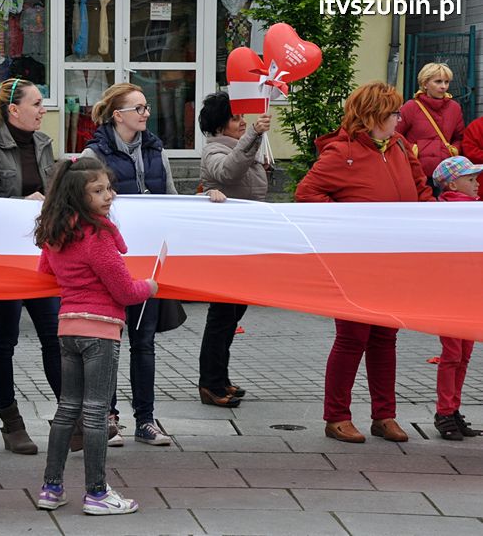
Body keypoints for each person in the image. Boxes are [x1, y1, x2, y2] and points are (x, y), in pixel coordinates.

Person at [296, 81, 434, 443]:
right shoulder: (341, 153)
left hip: (395, 260)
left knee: (385, 337)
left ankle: (384, 415)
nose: (398, 119)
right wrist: (347, 224)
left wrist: (432, 220)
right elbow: (306, 194)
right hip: (355, 262)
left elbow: (421, 188)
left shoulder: (400, 146)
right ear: (372, 116)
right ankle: (336, 416)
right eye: (392, 113)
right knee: (352, 338)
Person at [34, 156, 154, 515]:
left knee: (66, 409)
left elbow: (45, 271)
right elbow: (125, 292)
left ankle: (51, 488)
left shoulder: (56, 232)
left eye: (108, 188)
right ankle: (97, 493)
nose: (109, 196)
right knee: (97, 413)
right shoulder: (98, 235)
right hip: (100, 332)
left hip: (67, 327)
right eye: (98, 190)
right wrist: (151, 285)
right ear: (78, 196)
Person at [0, 77, 61, 454]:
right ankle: (11, 420)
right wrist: (20, 203)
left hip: (40, 259)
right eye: (37, 103)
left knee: (54, 336)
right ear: (13, 110)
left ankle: (68, 415)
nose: (43, 110)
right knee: (5, 340)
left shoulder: (44, 145)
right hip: (2, 262)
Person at [79, 82, 176, 446]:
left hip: (146, 258)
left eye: (147, 107)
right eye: (138, 108)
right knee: (109, 341)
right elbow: (85, 203)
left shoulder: (155, 149)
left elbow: (170, 197)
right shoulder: (95, 153)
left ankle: (146, 419)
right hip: (110, 259)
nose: (146, 114)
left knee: (144, 341)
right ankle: (108, 415)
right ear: (117, 115)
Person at [196, 92, 272, 408]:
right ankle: (210, 383)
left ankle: (220, 377)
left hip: (244, 241)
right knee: (222, 316)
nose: (242, 123)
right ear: (218, 124)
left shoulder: (244, 148)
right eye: (235, 118)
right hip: (225, 245)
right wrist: (253, 135)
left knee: (232, 315)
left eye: (243, 118)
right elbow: (228, 172)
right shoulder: (214, 150)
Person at [429, 156, 483, 440]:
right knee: (453, 355)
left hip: (469, 293)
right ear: (452, 183)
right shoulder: (445, 210)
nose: (476, 184)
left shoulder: (475, 210)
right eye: (470, 179)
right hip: (451, 294)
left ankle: (452, 410)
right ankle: (444, 412)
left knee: (463, 355)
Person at [396, 62, 464, 195]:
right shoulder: (411, 107)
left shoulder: (454, 108)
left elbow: (459, 137)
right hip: (416, 172)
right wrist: (413, 150)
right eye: (438, 82)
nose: (443, 86)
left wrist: (453, 150)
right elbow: (395, 135)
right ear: (425, 83)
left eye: (446, 82)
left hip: (444, 174)